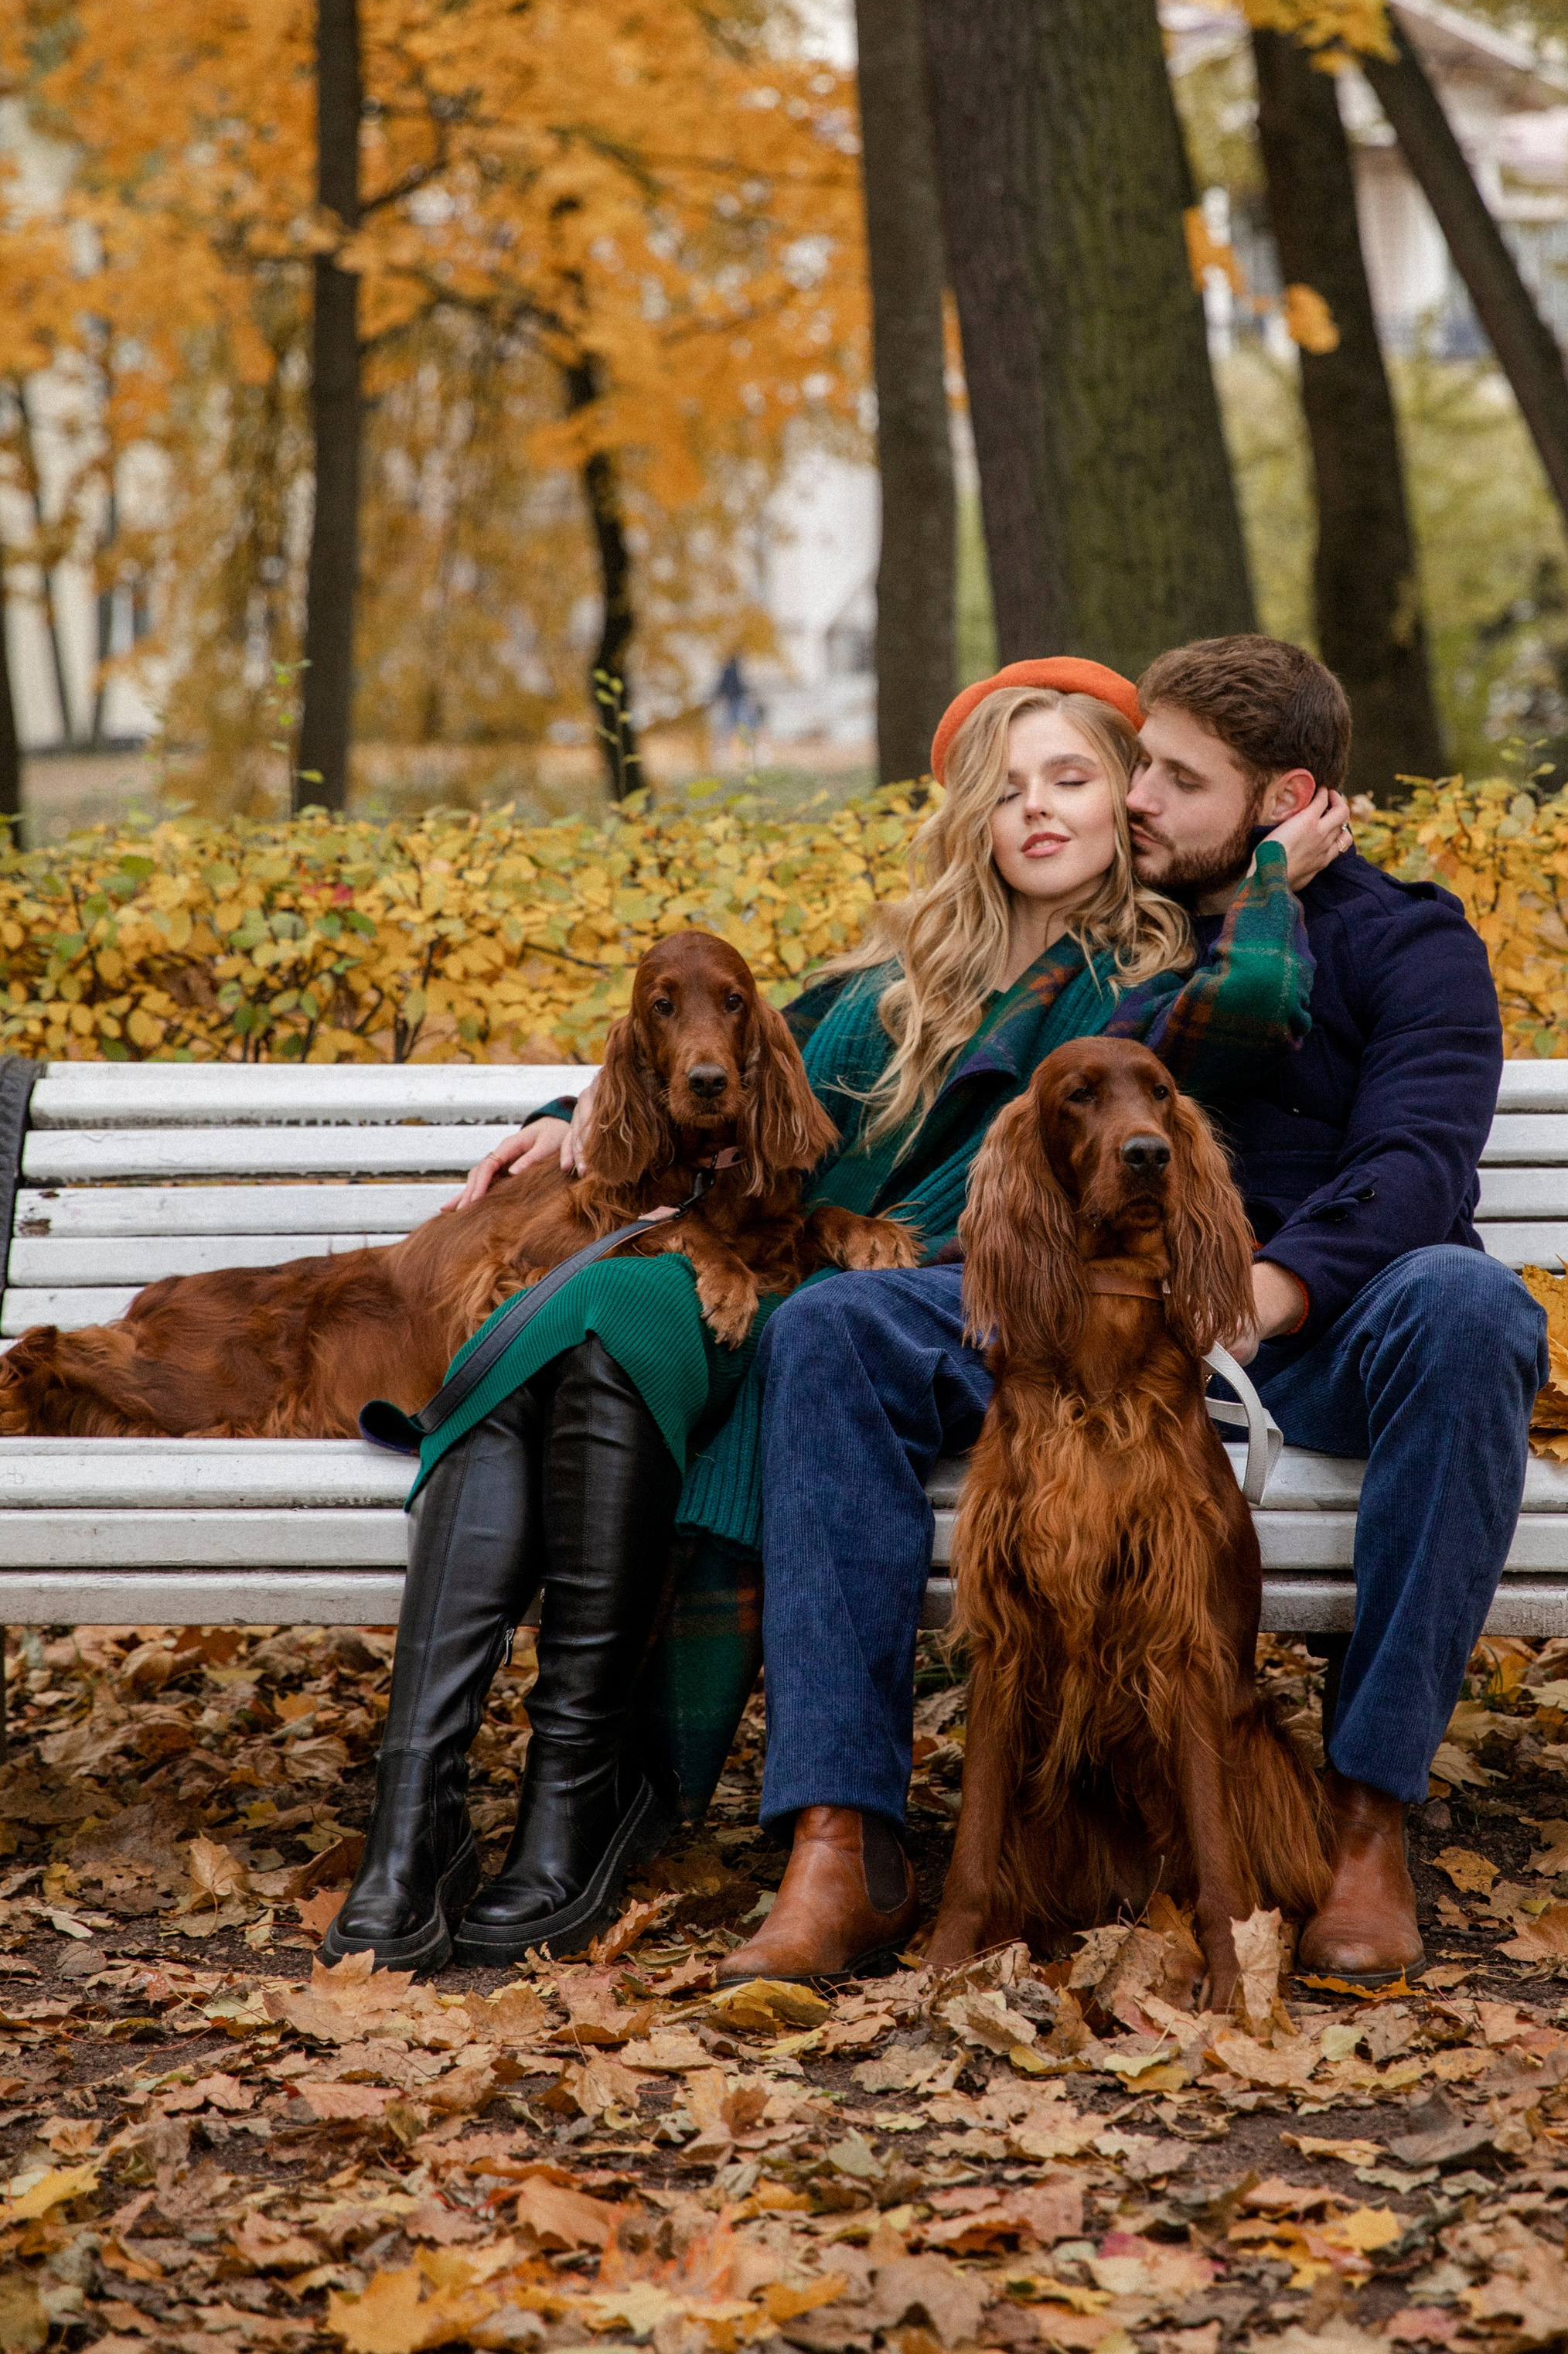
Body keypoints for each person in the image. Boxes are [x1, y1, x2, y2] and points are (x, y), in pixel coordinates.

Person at [324, 655, 1349, 1973]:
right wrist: (555, 1122)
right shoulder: (897, 982)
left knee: (656, 1325)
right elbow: (718, 1053)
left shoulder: (1150, 976)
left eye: (1074, 779)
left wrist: (1269, 870)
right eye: (1007, 788)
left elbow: (1263, 1001)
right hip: (796, 1273)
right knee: (570, 1329)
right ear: (971, 818)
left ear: (1127, 807)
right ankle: (446, 1829)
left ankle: (682, 1826)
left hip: (972, 1310)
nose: (1038, 810)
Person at [719, 634, 1547, 1990]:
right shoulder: (1130, 948)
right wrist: (568, 1118)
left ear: (1282, 801)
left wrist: (1258, 1292)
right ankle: (842, 1838)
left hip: (1309, 1335)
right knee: (831, 1331)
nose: (1134, 796)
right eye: (1137, 767)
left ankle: (1363, 1824)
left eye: (1171, 775)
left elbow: (1418, 1165)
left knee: (1470, 1306)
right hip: (1078, 1327)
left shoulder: (1412, 946)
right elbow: (820, 1036)